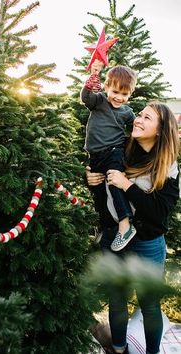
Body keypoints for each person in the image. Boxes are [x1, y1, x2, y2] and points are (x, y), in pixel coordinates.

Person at [86, 101, 180, 354]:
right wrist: (92, 181)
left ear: (160, 130)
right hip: (114, 236)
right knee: (116, 300)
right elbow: (106, 199)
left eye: (146, 118)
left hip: (147, 243)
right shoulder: (119, 151)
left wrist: (127, 185)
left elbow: (159, 213)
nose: (137, 119)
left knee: (149, 305)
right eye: (139, 115)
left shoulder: (166, 165)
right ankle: (118, 349)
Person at [81, 59, 138, 251]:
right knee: (98, 191)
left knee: (114, 182)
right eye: (115, 92)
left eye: (124, 94)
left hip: (114, 152)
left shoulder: (128, 113)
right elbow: (86, 96)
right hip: (95, 156)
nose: (119, 97)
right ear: (106, 88)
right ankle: (104, 225)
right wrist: (94, 74)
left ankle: (125, 224)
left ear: (130, 94)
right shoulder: (99, 102)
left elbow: (136, 130)